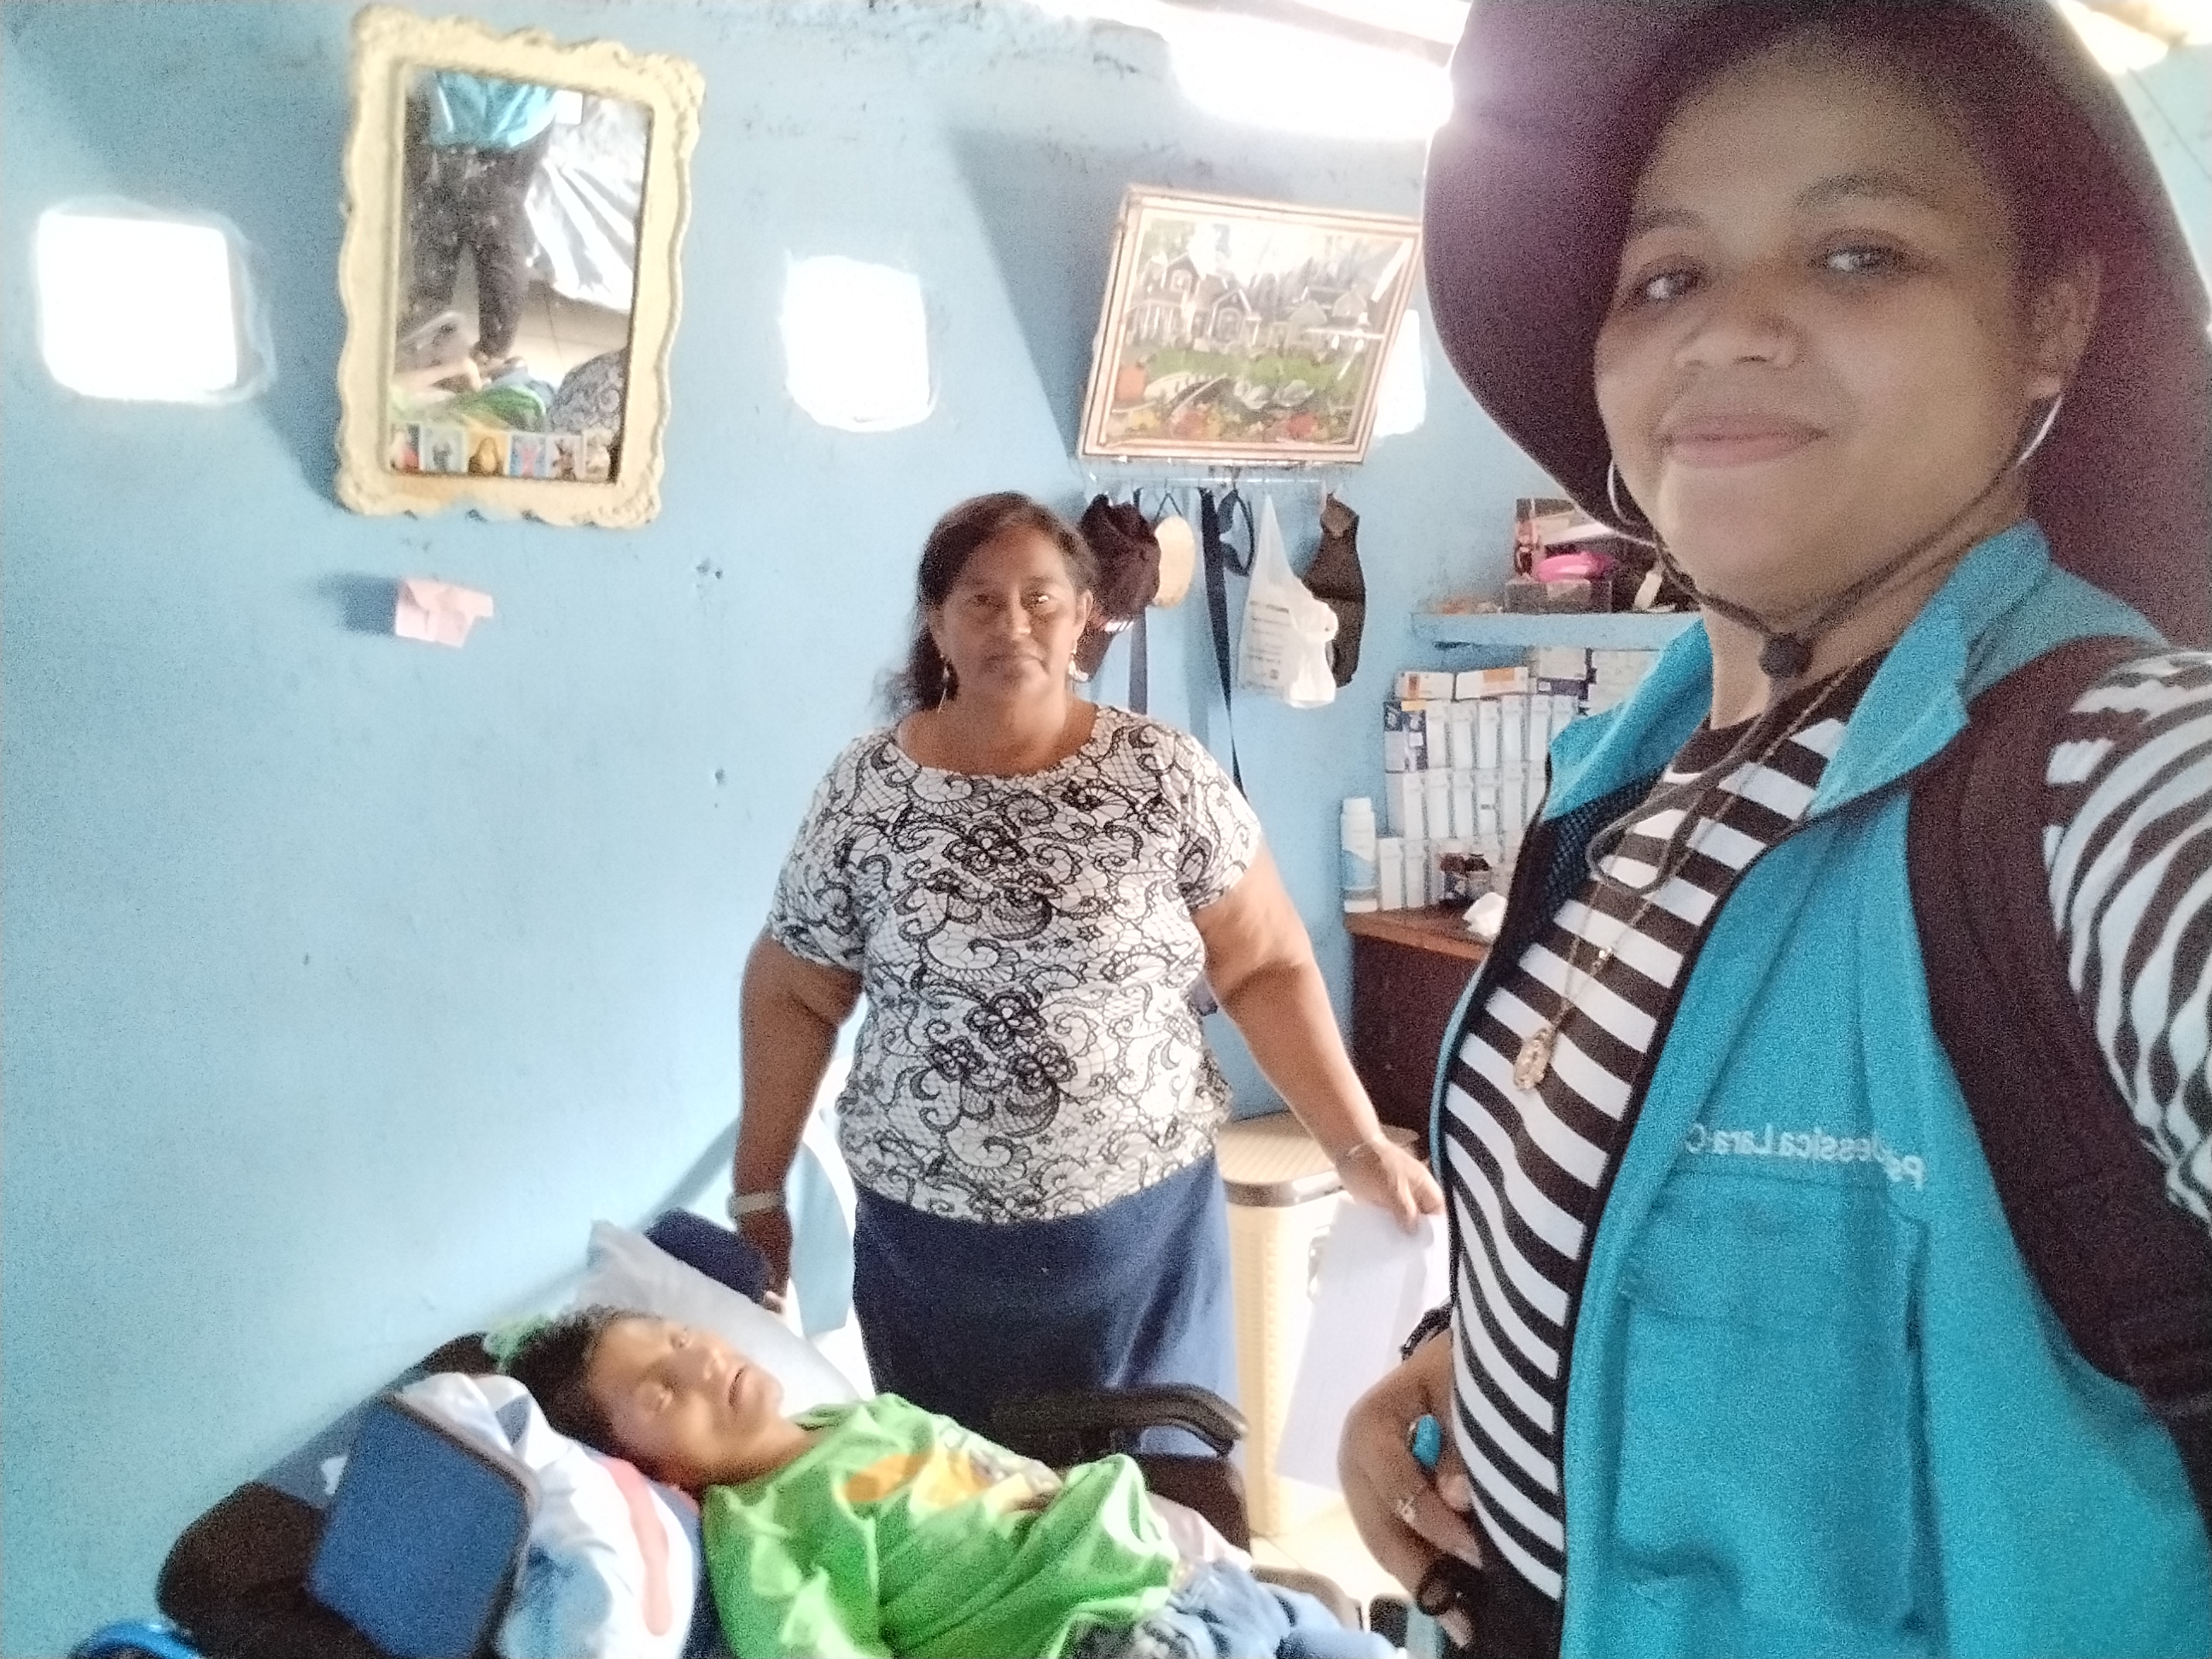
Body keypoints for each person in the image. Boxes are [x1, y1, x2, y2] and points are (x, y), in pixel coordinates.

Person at [1338, 3, 2212, 1656]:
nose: (1729, 329)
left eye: (1858, 253)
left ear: (2049, 322)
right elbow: (1641, 1209)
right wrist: (1468, 1359)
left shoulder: (2107, 783)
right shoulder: (1621, 781)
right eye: (1664, 276)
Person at [736, 492, 1441, 1442]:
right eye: (980, 600)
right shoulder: (866, 791)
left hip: (1144, 1252)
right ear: (937, 624)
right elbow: (794, 989)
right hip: (935, 1259)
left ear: (1083, 618)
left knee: (1165, 1502)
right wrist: (758, 1189)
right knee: (966, 1511)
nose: (1012, 623)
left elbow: (1266, 966)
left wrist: (1357, 1145)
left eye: (1040, 598)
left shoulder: (1161, 775)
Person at [503, 1307, 1392, 1659]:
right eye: (658, 1391)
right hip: (1092, 1640)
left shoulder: (858, 1417)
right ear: (649, 1470)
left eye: (679, 1336)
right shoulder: (762, 1533)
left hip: (1187, 1585)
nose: (699, 1363)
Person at [399, 71, 557, 374]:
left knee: (442, 230)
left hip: (461, 109)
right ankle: (485, 356)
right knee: (494, 230)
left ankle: (440, 347)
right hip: (519, 112)